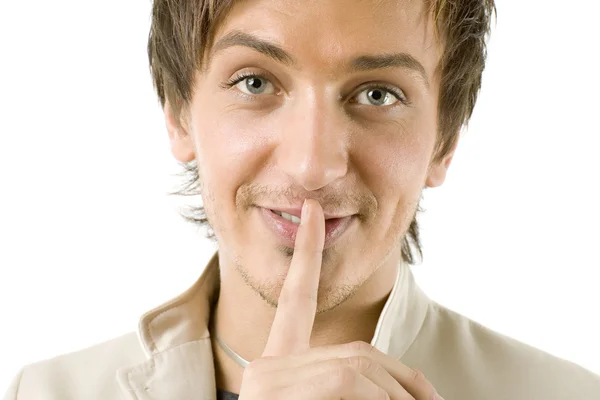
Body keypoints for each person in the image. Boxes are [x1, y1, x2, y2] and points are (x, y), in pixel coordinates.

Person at [3, 0, 600, 398]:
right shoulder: (47, 391)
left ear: (444, 142)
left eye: (378, 94)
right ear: (179, 114)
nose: (312, 165)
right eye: (255, 82)